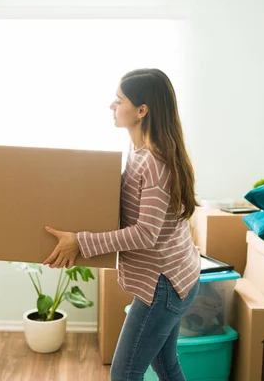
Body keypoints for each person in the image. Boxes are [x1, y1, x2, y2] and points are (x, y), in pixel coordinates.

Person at [43, 69, 201, 381]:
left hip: (164, 284)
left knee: (124, 374)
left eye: (119, 100)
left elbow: (146, 233)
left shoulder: (155, 163)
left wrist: (81, 241)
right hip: (172, 278)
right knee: (166, 365)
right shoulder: (139, 152)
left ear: (142, 111)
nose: (111, 106)